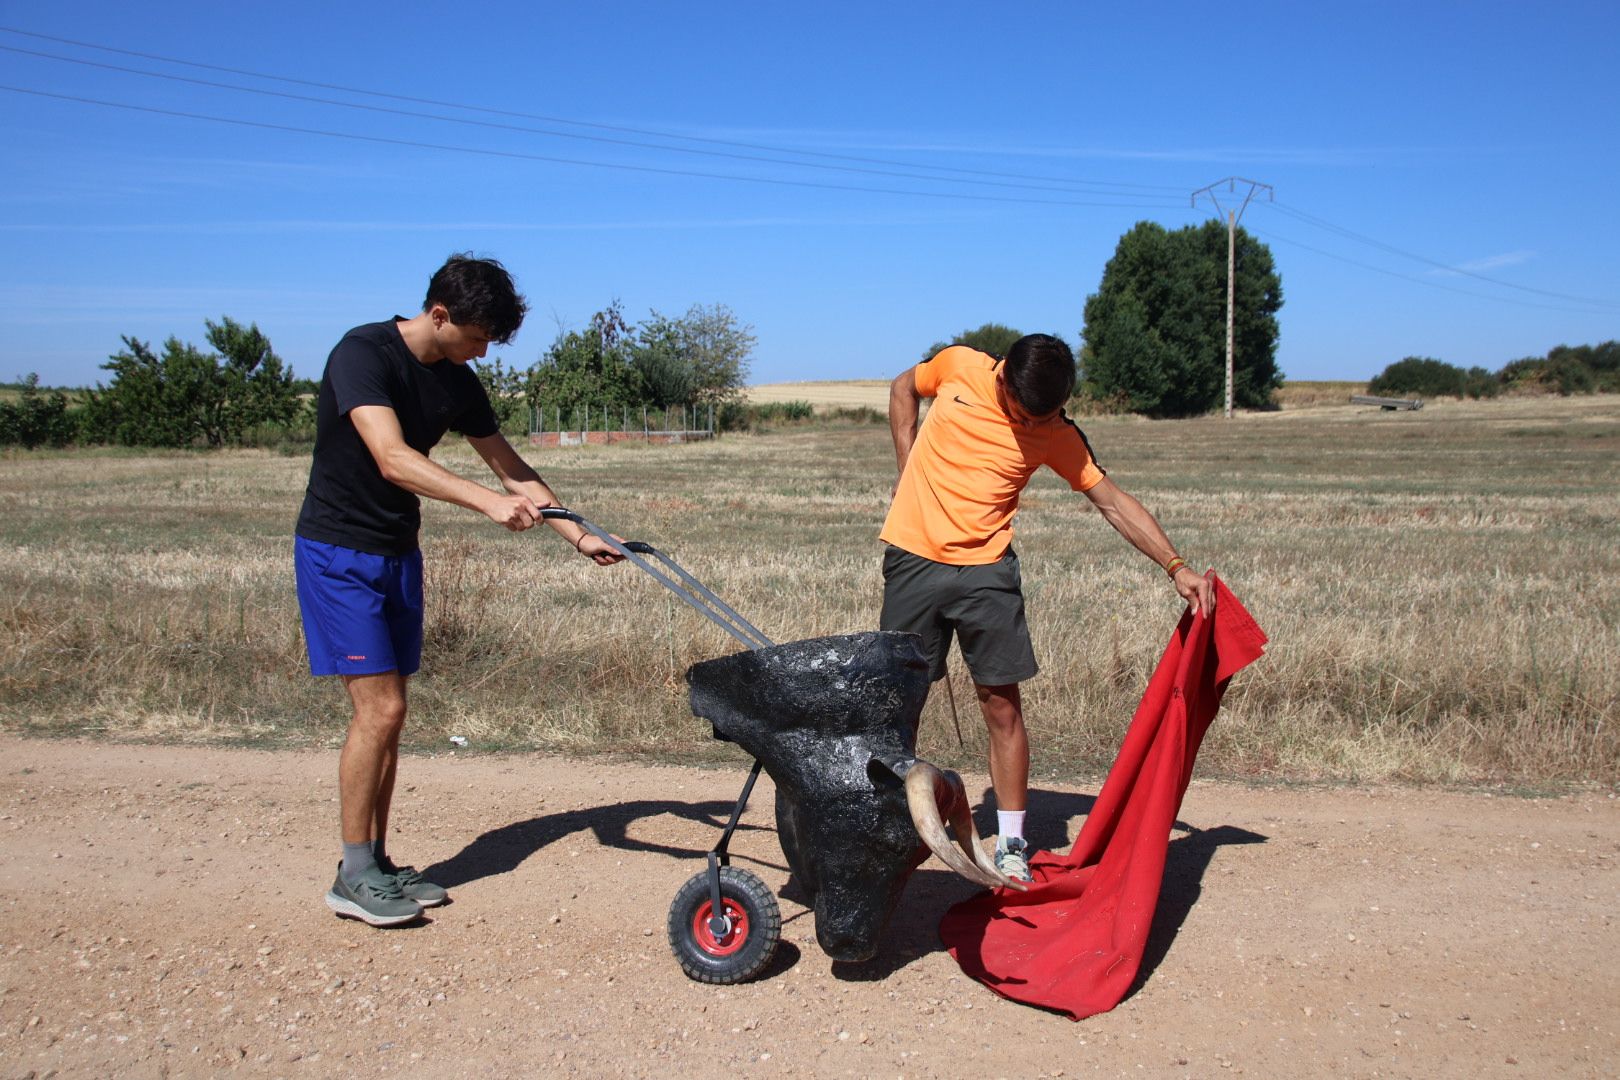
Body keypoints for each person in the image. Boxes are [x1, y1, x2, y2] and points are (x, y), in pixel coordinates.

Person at [294, 253, 624, 926]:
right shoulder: (363, 354)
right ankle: (353, 873)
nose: (481, 352)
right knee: (378, 713)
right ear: (438, 314)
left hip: (395, 553)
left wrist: (578, 534)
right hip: (338, 552)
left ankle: (375, 863)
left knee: (392, 713)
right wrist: (483, 504)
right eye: (475, 337)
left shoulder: (458, 380)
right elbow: (392, 457)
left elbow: (510, 466)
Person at [880, 334, 1213, 883]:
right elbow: (901, 388)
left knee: (1001, 703)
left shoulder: (1054, 431)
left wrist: (1176, 567)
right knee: (896, 700)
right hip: (913, 559)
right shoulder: (960, 367)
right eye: (1023, 414)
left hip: (986, 573)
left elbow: (1111, 502)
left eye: (1046, 417)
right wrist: (905, 465)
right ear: (1004, 374)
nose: (1033, 426)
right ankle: (893, 822)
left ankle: (1011, 843)